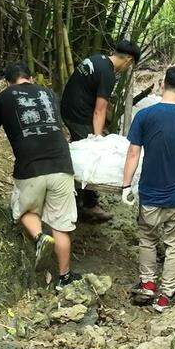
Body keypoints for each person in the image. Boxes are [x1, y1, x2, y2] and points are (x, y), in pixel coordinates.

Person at [0, 62, 81, 289]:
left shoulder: (3, 97)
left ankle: (39, 237)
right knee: (61, 225)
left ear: (7, 82)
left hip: (30, 168)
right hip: (62, 164)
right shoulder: (49, 94)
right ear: (31, 78)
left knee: (23, 209)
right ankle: (64, 278)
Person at [121, 66, 175, 313]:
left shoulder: (145, 116)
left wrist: (126, 185)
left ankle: (147, 284)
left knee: (147, 237)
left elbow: (133, 153)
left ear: (162, 84)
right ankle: (166, 296)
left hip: (151, 193)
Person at [60, 39, 142, 222]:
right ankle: (88, 205)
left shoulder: (97, 59)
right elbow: (100, 109)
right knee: (89, 155)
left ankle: (77, 197)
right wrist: (96, 139)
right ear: (128, 60)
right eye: (131, 66)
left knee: (79, 151)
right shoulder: (108, 74)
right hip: (79, 115)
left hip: (68, 107)